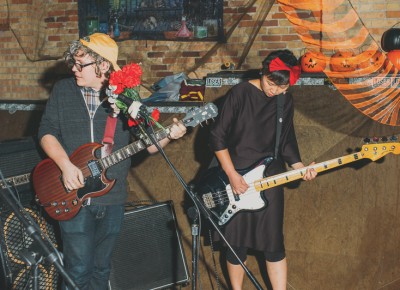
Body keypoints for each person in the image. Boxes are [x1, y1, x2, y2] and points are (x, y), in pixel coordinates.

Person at [37, 33, 186, 290]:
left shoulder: (128, 97)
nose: (74, 68)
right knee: (78, 270)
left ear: (103, 65)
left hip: (113, 197)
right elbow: (46, 132)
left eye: (80, 64)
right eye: (73, 62)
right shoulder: (63, 90)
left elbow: (150, 145)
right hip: (71, 194)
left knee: (101, 269)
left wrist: (170, 135)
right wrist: (65, 165)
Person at [208, 49, 317, 290]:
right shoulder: (240, 93)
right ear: (263, 72)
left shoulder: (285, 101)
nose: (274, 91)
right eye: (271, 83)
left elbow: (286, 139)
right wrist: (232, 175)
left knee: (274, 244)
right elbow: (217, 137)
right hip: (235, 179)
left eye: (282, 88)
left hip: (271, 177)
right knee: (236, 243)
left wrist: (300, 167)